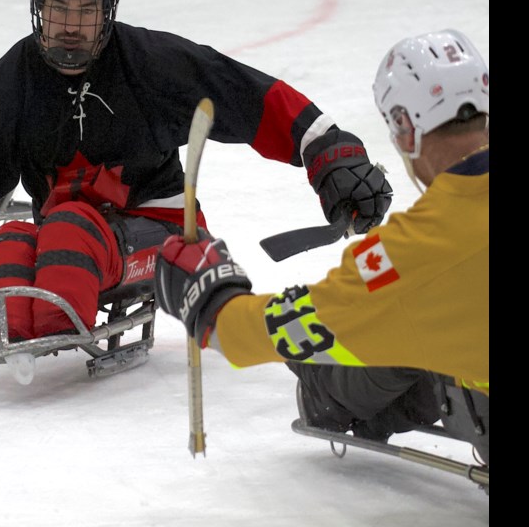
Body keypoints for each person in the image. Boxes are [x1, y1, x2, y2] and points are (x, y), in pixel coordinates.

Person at [0, 0, 392, 377]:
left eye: (84, 11)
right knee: (12, 243)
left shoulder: (151, 63)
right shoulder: (13, 80)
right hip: (74, 238)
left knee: (65, 228)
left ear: (107, 11)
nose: (69, 24)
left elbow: (248, 97)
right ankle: (44, 312)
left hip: (162, 236)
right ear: (37, 6)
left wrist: (331, 153)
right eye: (57, 6)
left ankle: (65, 295)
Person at [155, 29, 488, 464]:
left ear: (406, 128)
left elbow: (288, 328)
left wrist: (210, 302)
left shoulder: (416, 251)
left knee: (360, 352)